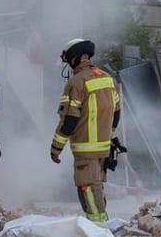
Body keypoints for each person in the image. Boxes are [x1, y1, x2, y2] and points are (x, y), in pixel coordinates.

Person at [50, 38, 121, 223]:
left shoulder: (77, 82)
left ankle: (98, 228)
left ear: (74, 58)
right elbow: (117, 113)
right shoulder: (107, 78)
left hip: (85, 150)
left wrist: (56, 148)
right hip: (103, 149)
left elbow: (69, 120)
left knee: (88, 189)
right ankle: (101, 225)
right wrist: (109, 136)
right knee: (97, 188)